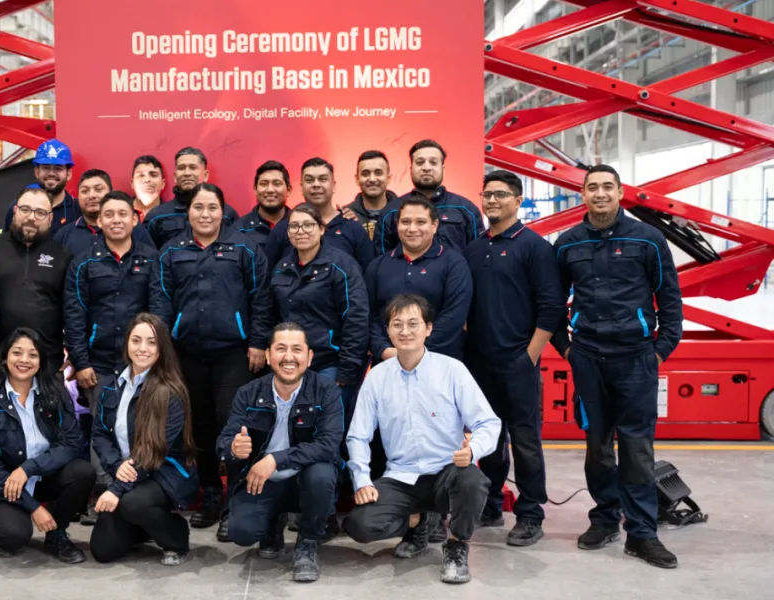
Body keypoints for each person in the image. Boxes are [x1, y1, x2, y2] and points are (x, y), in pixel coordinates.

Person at [550, 164, 683, 569]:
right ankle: (605, 517)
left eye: (608, 186)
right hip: (588, 358)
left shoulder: (647, 238)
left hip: (636, 358)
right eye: (593, 187)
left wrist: (659, 350)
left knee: (637, 448)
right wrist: (567, 350)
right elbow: (553, 303)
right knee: (597, 447)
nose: (601, 193)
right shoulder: (568, 243)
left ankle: (641, 533)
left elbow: (671, 300)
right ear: (583, 195)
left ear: (620, 192)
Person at [344, 294, 500, 585]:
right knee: (359, 525)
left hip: (446, 472)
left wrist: (474, 449)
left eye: (414, 323)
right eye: (397, 324)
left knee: (473, 481)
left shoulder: (451, 370)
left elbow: (488, 422)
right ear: (388, 332)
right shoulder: (377, 377)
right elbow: (358, 435)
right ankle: (419, 522)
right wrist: (362, 480)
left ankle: (456, 545)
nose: (405, 331)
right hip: (401, 477)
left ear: (428, 328)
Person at [150, 183, 270, 528]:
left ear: (223, 211)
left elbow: (260, 298)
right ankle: (210, 491)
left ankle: (235, 495)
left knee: (232, 424)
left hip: (235, 353)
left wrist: (258, 342)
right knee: (198, 427)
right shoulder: (171, 252)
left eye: (212, 207)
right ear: (189, 212)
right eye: (199, 207)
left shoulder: (244, 248)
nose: (205, 214)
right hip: (187, 354)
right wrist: (164, 349)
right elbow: (161, 303)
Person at [464, 170, 566, 545]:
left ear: (518, 200)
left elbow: (551, 306)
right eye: (487, 194)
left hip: (518, 361)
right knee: (488, 438)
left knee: (525, 440)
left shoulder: (535, 247)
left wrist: (530, 355)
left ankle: (530, 514)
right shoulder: (474, 248)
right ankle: (490, 505)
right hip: (478, 362)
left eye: (501, 195)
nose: (492, 201)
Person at [217, 322, 343, 583]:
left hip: (304, 480)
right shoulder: (248, 392)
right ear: (267, 355)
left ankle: (307, 542)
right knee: (241, 533)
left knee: (321, 474)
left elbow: (328, 444)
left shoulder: (326, 390)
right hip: (263, 482)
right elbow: (225, 439)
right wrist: (233, 448)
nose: (288, 357)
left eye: (297, 349)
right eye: (281, 349)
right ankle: (272, 523)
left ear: (309, 357)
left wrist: (276, 459)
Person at [64, 190, 158, 523]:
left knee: (139, 427)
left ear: (135, 219)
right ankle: (102, 493)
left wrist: (153, 358)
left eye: (123, 214)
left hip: (142, 363)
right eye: (109, 215)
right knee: (102, 430)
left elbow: (159, 310)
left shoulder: (151, 259)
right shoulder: (84, 262)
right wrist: (81, 362)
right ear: (99, 221)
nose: (116, 220)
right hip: (99, 363)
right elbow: (74, 314)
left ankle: (138, 492)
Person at [0, 327, 96, 561]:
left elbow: (72, 443)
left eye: (33, 354)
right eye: (17, 353)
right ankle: (2, 526)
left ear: (41, 361)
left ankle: (56, 534)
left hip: (42, 477)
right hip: (5, 486)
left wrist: (28, 469)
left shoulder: (55, 394)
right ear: (5, 358)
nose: (24, 360)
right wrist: (35, 508)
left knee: (82, 471)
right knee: (13, 537)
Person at [90, 314, 198, 565]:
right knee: (103, 551)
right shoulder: (112, 386)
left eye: (151, 342)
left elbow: (155, 450)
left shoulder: (170, 391)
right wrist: (116, 465)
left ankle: (176, 537)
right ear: (127, 343)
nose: (142, 348)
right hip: (128, 472)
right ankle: (143, 526)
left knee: (132, 502)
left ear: (161, 349)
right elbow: (100, 434)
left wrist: (116, 490)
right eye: (136, 340)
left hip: (164, 473)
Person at [270, 203, 368, 427]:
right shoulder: (282, 267)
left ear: (322, 229)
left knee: (327, 429)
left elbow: (355, 317)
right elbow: (272, 314)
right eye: (294, 226)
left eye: (307, 225)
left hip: (330, 364)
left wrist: (347, 370)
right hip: (290, 364)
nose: (300, 231)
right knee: (294, 429)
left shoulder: (342, 265)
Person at [0, 187, 74, 369]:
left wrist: (75, 353)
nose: (32, 217)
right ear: (15, 211)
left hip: (47, 361)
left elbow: (72, 310)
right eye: (25, 210)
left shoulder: (63, 255)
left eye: (40, 212)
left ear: (50, 219)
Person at [366, 195, 472, 361]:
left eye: (421, 222)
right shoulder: (377, 266)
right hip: (388, 362)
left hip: (440, 363)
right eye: (406, 222)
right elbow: (369, 316)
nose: (412, 229)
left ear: (434, 226)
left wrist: (416, 352)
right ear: (397, 225)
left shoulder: (454, 264)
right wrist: (383, 350)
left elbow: (454, 316)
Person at [265, 158, 373, 271]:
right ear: (301, 187)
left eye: (323, 179)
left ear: (334, 186)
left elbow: (367, 276)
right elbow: (268, 277)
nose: (316, 185)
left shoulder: (353, 228)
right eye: (309, 180)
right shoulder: (283, 229)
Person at [380, 140, 484, 255]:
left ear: (443, 169)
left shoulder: (467, 209)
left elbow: (478, 257)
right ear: (411, 169)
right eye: (420, 163)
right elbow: (382, 260)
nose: (426, 168)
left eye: (433, 163)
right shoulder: (391, 212)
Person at [145, 147, 239, 249]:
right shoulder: (156, 217)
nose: (187, 173)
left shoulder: (227, 214)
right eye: (181, 168)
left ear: (205, 175)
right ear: (175, 177)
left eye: (193, 168)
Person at [54, 169, 155, 256]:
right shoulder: (64, 235)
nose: (91, 195)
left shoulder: (133, 229)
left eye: (98, 189)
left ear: (111, 193)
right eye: (85, 191)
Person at [3, 138, 81, 232]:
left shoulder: (78, 210)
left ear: (68, 174)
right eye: (46, 168)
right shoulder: (19, 207)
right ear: (36, 172)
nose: (51, 173)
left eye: (58, 168)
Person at [342, 150, 397, 252]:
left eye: (378, 173)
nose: (372, 179)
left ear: (389, 177)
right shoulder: (346, 216)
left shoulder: (403, 212)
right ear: (357, 179)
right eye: (365, 174)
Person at [232, 160, 291, 250]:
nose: (270, 190)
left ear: (289, 190)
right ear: (255, 190)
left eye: (277, 184)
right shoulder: (239, 229)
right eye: (264, 184)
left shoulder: (301, 226)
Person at [132, 154, 166, 219]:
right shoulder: (120, 213)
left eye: (153, 175)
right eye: (141, 175)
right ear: (132, 183)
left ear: (162, 184)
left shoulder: (171, 215)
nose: (147, 180)